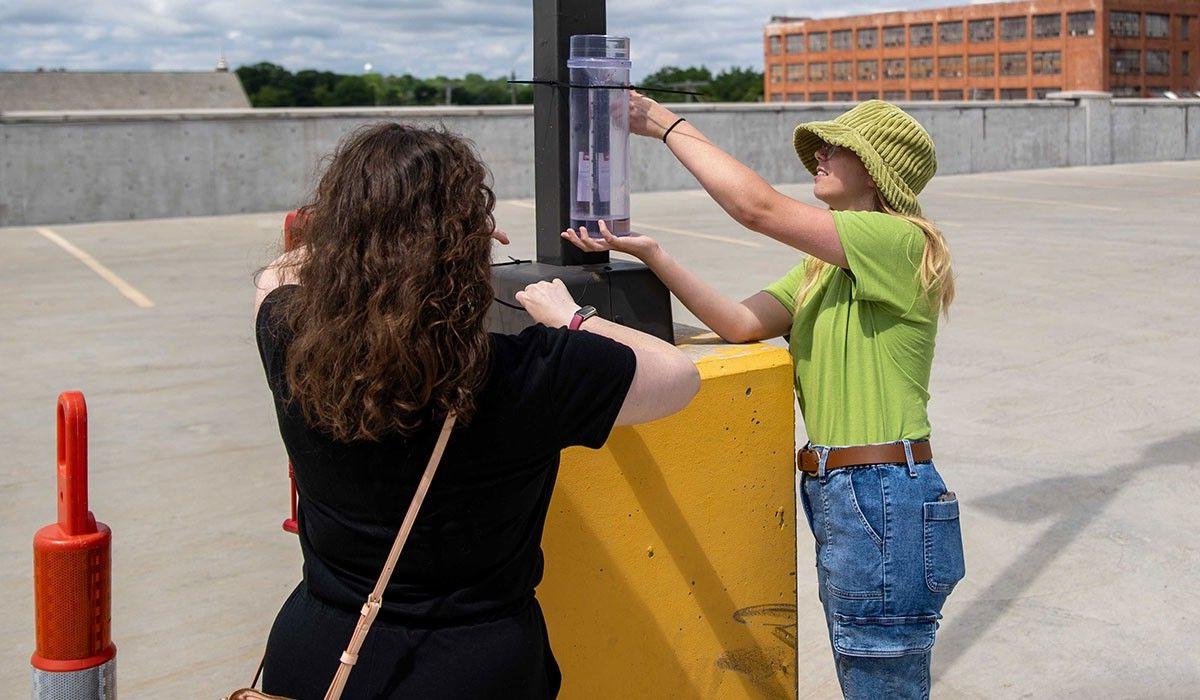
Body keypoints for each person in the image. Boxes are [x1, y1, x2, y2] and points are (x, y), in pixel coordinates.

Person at [252, 122, 699, 698]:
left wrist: (356, 234)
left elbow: (278, 276)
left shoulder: (290, 339)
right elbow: (678, 376)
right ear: (464, 246)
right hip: (472, 666)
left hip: (322, 652)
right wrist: (571, 317)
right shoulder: (525, 374)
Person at [563, 96, 965, 699]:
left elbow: (756, 209)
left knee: (882, 686)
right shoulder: (822, 269)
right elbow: (739, 323)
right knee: (871, 682)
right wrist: (652, 254)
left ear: (878, 169)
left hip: (883, 491)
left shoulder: (903, 242)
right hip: (848, 493)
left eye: (838, 147)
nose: (820, 155)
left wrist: (668, 127)